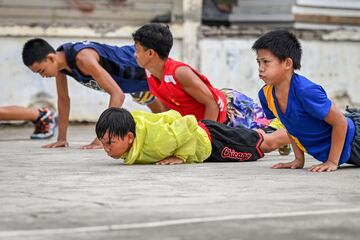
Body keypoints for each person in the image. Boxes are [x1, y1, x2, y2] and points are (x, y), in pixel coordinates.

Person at [132, 23, 290, 153]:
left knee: (264, 138)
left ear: (151, 53)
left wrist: (202, 139)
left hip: (232, 110)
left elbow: (212, 103)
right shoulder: (151, 75)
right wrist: (150, 101)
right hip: (212, 121)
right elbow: (168, 114)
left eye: (137, 50)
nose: (134, 55)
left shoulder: (180, 73)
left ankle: (289, 132)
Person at [22, 39, 164, 149]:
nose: (42, 75)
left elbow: (117, 95)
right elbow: (63, 100)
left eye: (41, 70)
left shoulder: (82, 59)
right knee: (163, 117)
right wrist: (61, 139)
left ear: (51, 58)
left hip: (143, 67)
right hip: (132, 84)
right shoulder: (61, 64)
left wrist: (102, 137)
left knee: (177, 115)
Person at [253, 29, 360, 172]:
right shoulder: (265, 95)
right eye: (258, 62)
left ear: (287, 63)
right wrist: (298, 159)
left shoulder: (305, 91)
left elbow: (340, 122)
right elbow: (290, 125)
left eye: (266, 62)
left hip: (354, 139)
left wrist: (332, 161)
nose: (260, 68)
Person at [95, 107, 287, 164]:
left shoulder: (156, 141)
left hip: (212, 140)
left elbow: (188, 121)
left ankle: (301, 131)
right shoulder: (134, 129)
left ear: (129, 137)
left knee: (265, 145)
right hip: (206, 141)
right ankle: (279, 127)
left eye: (110, 143)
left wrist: (180, 156)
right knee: (256, 137)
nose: (107, 149)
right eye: (104, 144)